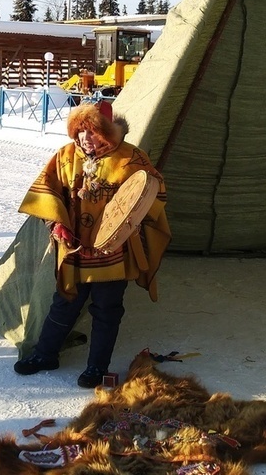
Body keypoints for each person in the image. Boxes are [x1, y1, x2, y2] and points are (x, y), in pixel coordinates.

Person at [12, 101, 171, 388]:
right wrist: (55, 221)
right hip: (74, 247)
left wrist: (130, 218)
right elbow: (47, 189)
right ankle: (45, 354)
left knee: (107, 307)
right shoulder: (65, 156)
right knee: (64, 302)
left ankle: (97, 367)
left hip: (114, 250)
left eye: (92, 131)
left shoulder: (131, 158)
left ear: (107, 131)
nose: (84, 138)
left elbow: (154, 192)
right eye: (79, 131)